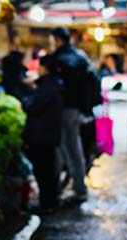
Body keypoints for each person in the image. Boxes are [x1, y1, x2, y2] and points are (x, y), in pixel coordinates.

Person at [49, 27, 90, 202]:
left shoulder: (58, 59)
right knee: (74, 146)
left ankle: (65, 188)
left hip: (63, 108)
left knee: (63, 147)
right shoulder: (79, 56)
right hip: (76, 109)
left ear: (58, 40)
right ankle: (78, 186)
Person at [20, 55, 63, 214]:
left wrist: (25, 102)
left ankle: (48, 203)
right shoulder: (54, 84)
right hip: (48, 134)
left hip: (42, 135)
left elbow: (33, 106)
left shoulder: (47, 86)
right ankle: (49, 201)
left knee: (44, 171)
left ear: (45, 68)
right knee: (48, 170)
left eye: (40, 66)